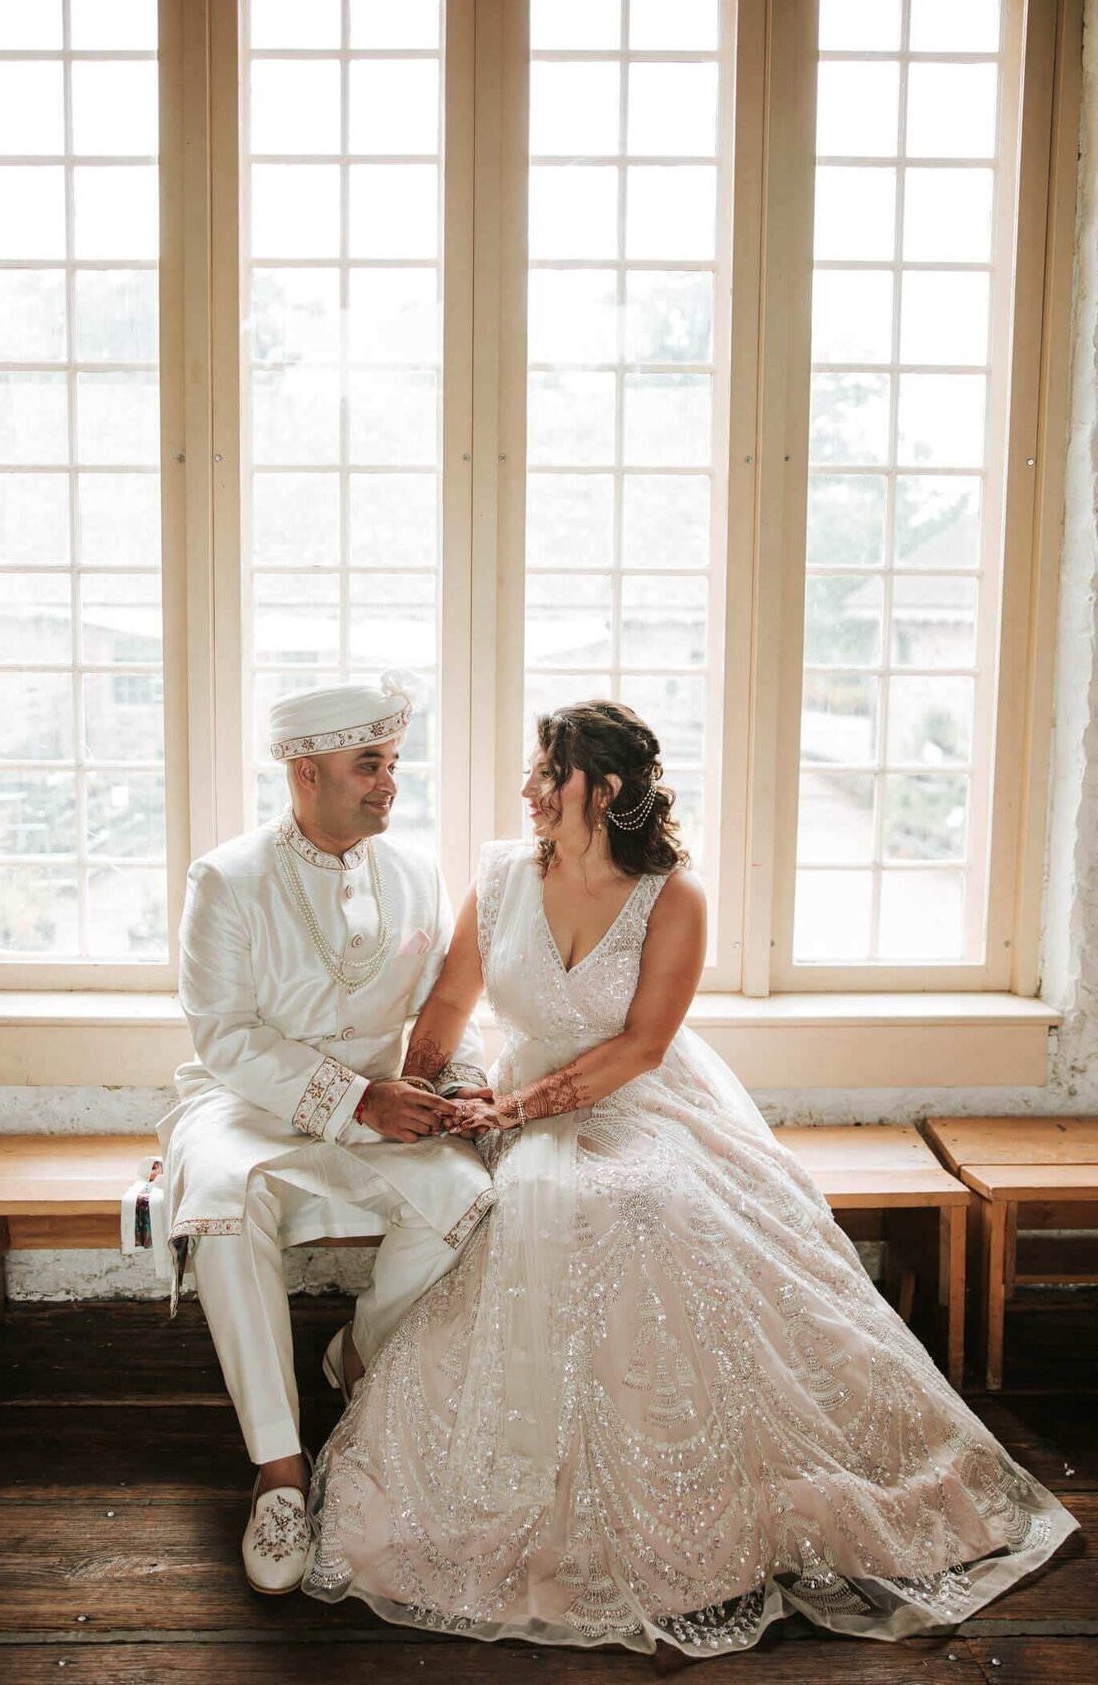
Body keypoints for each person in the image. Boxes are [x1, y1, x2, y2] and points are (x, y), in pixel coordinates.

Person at [304, 698, 1077, 1658]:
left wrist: (518, 1113)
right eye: (533, 773)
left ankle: (700, 1499)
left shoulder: (674, 894)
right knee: (539, 1204)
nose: (528, 790)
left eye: (549, 775)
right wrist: (426, 1093)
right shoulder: (502, 876)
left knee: (648, 1204)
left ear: (608, 789)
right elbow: (453, 1001)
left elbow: (642, 1045)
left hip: (638, 1101)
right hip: (512, 1097)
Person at [157, 672, 495, 1595]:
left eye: (393, 763)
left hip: (384, 1100)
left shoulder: (418, 871)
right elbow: (222, 1035)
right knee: (222, 1201)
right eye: (370, 765)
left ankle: (357, 1353)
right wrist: (353, 1099)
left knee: (469, 1196)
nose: (390, 783)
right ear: (305, 773)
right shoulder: (225, 879)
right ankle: (278, 1468)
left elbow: (438, 1009)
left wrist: (453, 1086)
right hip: (248, 1105)